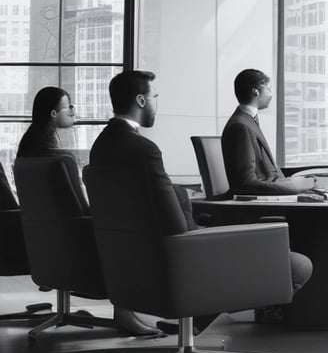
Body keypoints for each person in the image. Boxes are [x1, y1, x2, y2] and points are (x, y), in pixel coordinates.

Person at [91, 70, 312, 333]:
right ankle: (200, 323)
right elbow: (177, 230)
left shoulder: (101, 147)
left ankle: (194, 327)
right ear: (141, 101)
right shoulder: (144, 152)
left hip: (134, 266)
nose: (157, 103)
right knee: (299, 265)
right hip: (180, 265)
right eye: (155, 96)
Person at [16, 85, 161, 338]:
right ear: (53, 114)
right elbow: (77, 212)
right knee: (127, 236)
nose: (74, 110)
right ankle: (126, 314)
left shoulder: (30, 150)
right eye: (68, 106)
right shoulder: (57, 159)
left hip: (50, 246)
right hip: (76, 246)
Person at [221, 69, 318, 197]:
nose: (271, 94)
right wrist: (293, 187)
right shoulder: (240, 126)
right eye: (268, 88)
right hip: (259, 203)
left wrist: (293, 183)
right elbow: (245, 183)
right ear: (255, 91)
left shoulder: (248, 120)